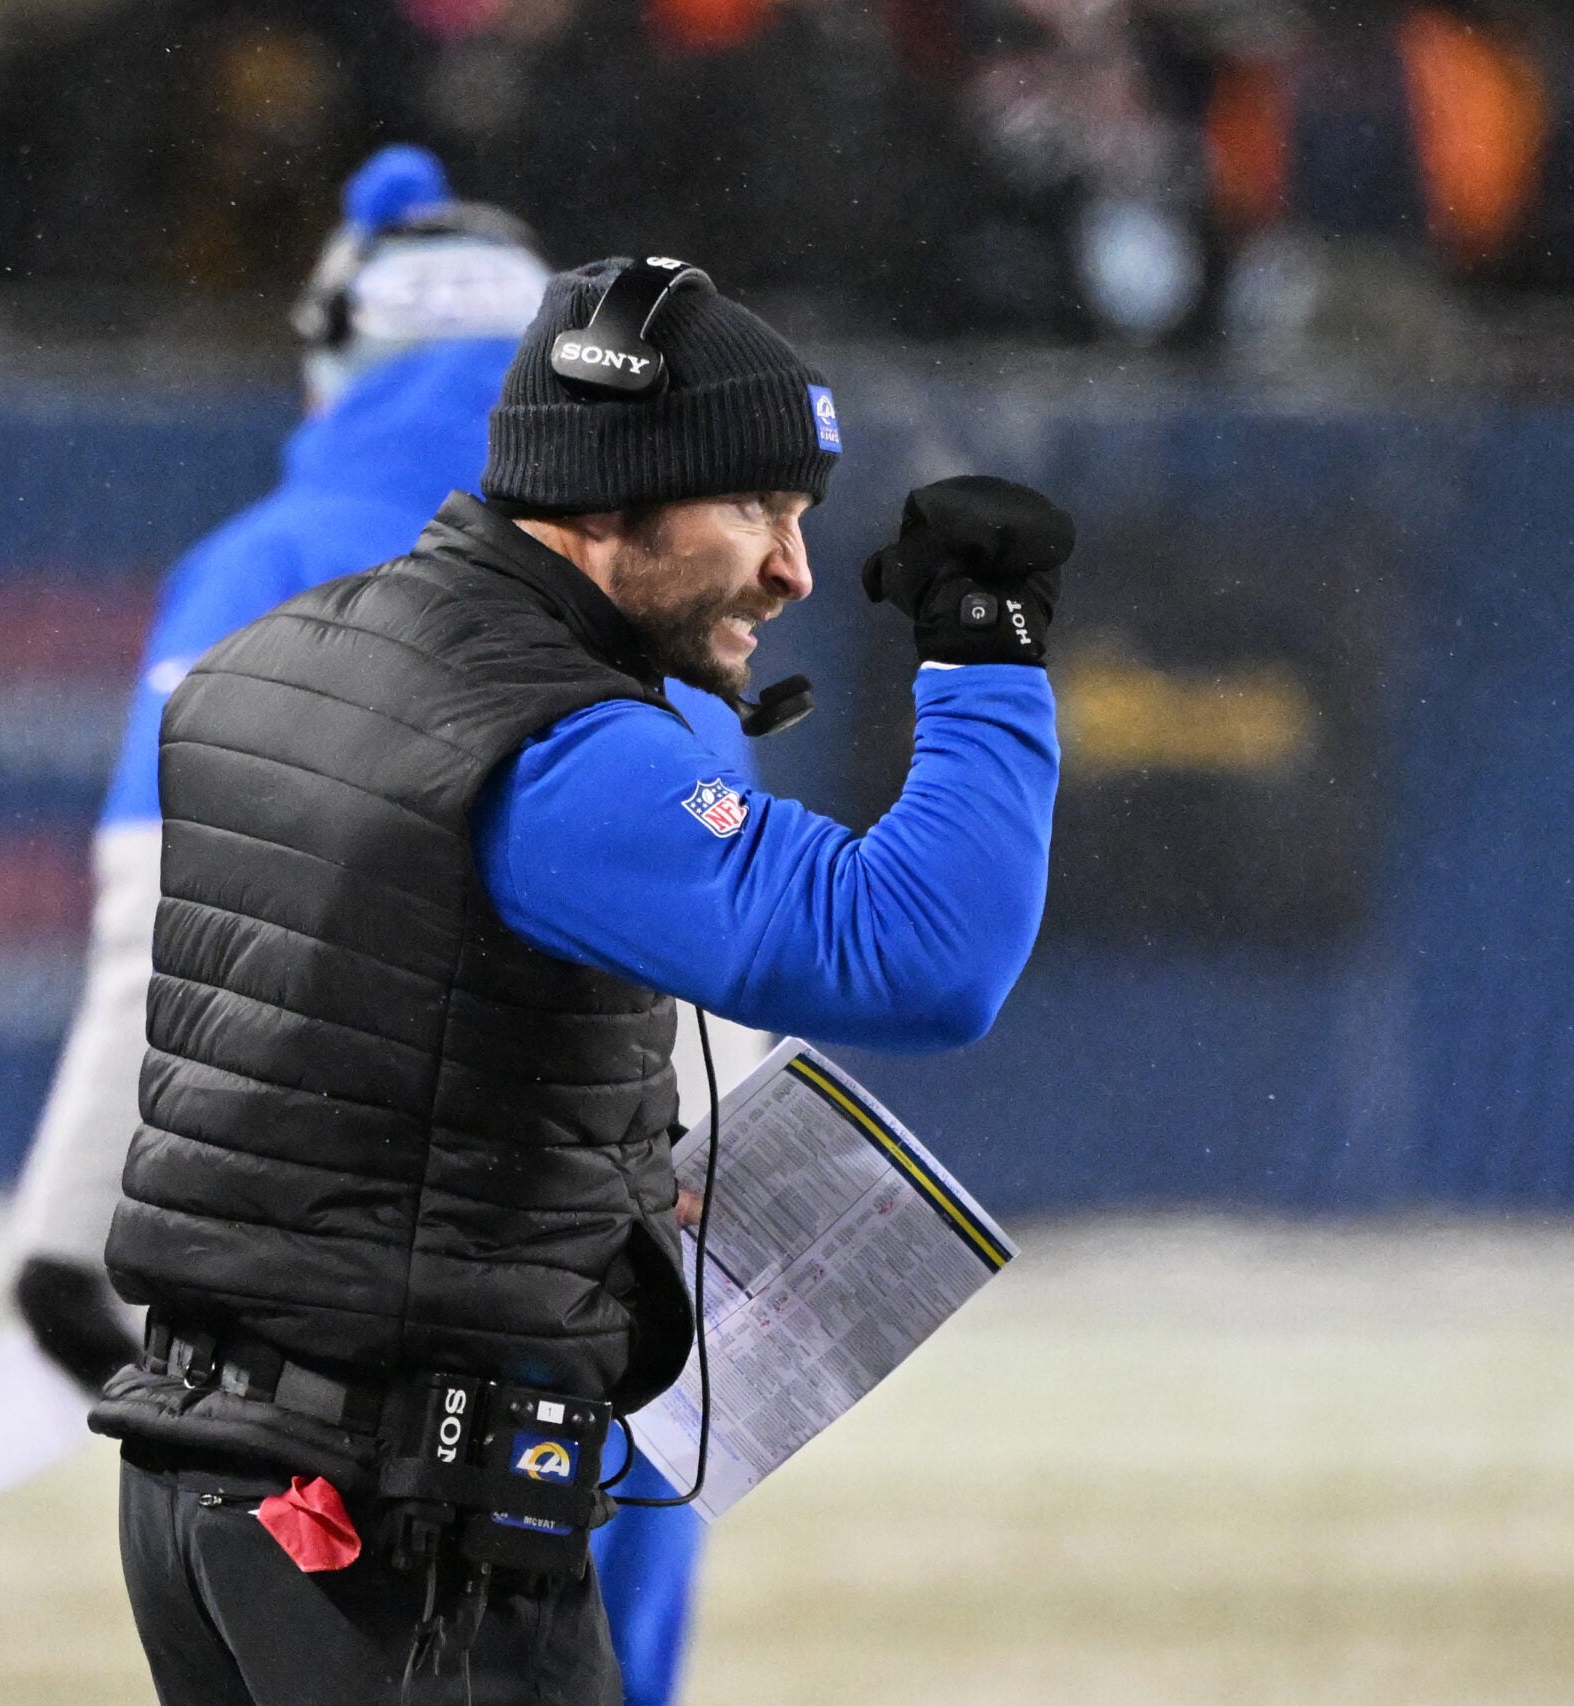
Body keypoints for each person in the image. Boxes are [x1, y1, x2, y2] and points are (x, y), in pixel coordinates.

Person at [91, 254, 1071, 1705]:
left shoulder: (275, 661)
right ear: (610, 496)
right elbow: (925, 952)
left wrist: (598, 1173)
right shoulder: (544, 749)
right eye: (757, 508)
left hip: (209, 1486)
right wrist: (987, 652)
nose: (796, 570)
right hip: (400, 1522)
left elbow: (370, 1070)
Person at [6, 150, 748, 1702]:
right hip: (628, 1267)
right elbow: (725, 939)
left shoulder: (265, 568)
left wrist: (63, 1240)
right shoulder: (650, 550)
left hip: (365, 1331)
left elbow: (160, 930)